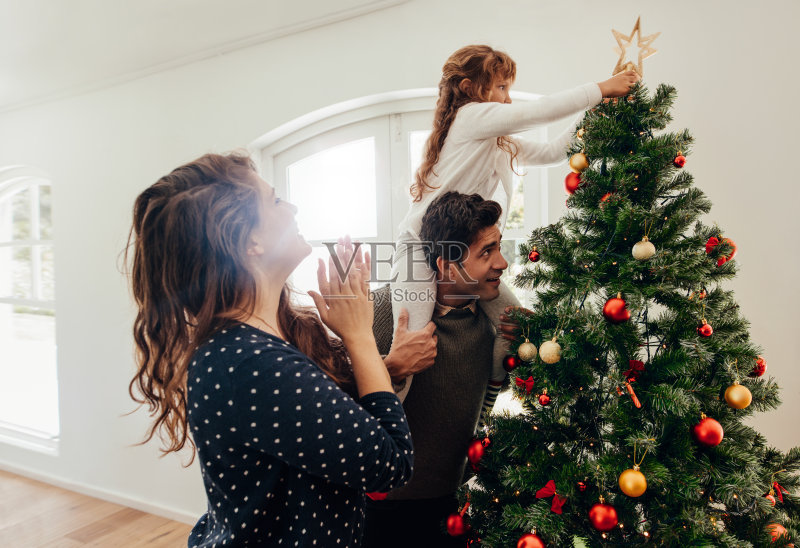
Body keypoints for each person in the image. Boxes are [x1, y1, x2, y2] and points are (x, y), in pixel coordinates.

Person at [127, 152, 415, 547]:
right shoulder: (250, 363)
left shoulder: (270, 337)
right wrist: (359, 335)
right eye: (276, 200)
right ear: (251, 241)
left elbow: (330, 425)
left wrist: (384, 363)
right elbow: (391, 463)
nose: (292, 207)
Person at [391, 44, 640, 400]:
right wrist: (600, 88)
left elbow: (555, 152)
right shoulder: (470, 118)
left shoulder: (498, 141)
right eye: (501, 88)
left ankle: (489, 399)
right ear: (468, 89)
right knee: (413, 341)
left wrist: (596, 111)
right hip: (420, 245)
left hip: (462, 249)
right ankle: (387, 419)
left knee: (515, 322)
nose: (507, 100)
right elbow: (538, 112)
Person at [364, 191, 511, 548]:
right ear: (447, 265)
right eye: (486, 252)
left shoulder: (492, 323)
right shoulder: (384, 311)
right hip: (381, 510)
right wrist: (393, 369)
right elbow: (338, 406)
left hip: (452, 503)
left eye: (499, 247)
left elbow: (480, 392)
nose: (503, 263)